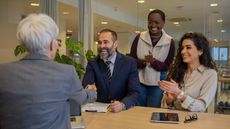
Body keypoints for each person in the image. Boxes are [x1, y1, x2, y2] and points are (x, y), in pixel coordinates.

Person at [0, 13, 97, 129]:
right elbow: (83, 98)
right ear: (52, 45)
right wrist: (92, 91)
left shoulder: (3, 72)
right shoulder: (66, 72)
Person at [82, 29, 141, 113]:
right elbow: (87, 84)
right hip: (100, 110)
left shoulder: (129, 63)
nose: (102, 46)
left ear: (115, 44)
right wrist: (89, 88)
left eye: (106, 42)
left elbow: (134, 92)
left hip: (122, 111)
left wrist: (122, 104)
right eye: (99, 42)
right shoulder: (93, 63)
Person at [159, 32, 217, 112]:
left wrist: (180, 94)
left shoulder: (210, 74)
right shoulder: (176, 71)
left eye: (188, 47)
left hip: (194, 121)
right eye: (182, 48)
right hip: (174, 120)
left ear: (200, 51)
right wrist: (170, 99)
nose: (183, 51)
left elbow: (201, 107)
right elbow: (164, 105)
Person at [130, 9, 175, 107]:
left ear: (163, 23)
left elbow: (167, 66)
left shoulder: (170, 41)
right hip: (140, 80)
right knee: (138, 109)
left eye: (156, 22)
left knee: (153, 110)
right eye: (150, 22)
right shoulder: (139, 37)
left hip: (158, 83)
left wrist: (153, 61)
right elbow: (131, 60)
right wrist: (143, 62)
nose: (153, 25)